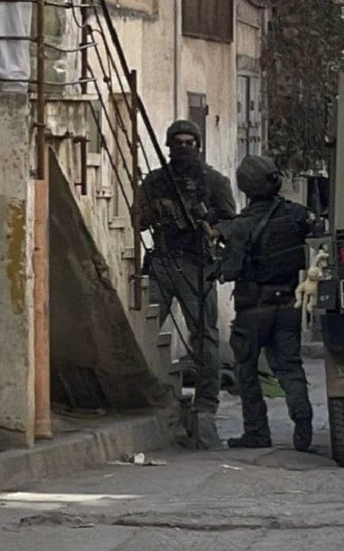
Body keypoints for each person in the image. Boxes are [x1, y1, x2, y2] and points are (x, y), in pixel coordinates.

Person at [135, 119, 236, 450]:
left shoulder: (214, 182)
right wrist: (154, 211)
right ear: (168, 146)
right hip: (163, 261)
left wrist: (213, 229)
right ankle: (145, 395)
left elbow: (231, 222)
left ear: (198, 145)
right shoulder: (156, 181)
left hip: (197, 265)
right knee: (143, 332)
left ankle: (205, 405)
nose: (183, 148)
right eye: (177, 143)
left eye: (189, 143)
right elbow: (136, 220)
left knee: (205, 337)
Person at [223, 154, 314, 452]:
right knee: (289, 367)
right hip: (288, 303)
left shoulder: (242, 225)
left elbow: (230, 269)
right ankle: (302, 419)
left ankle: (257, 432)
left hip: (253, 309)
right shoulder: (297, 215)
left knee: (246, 370)